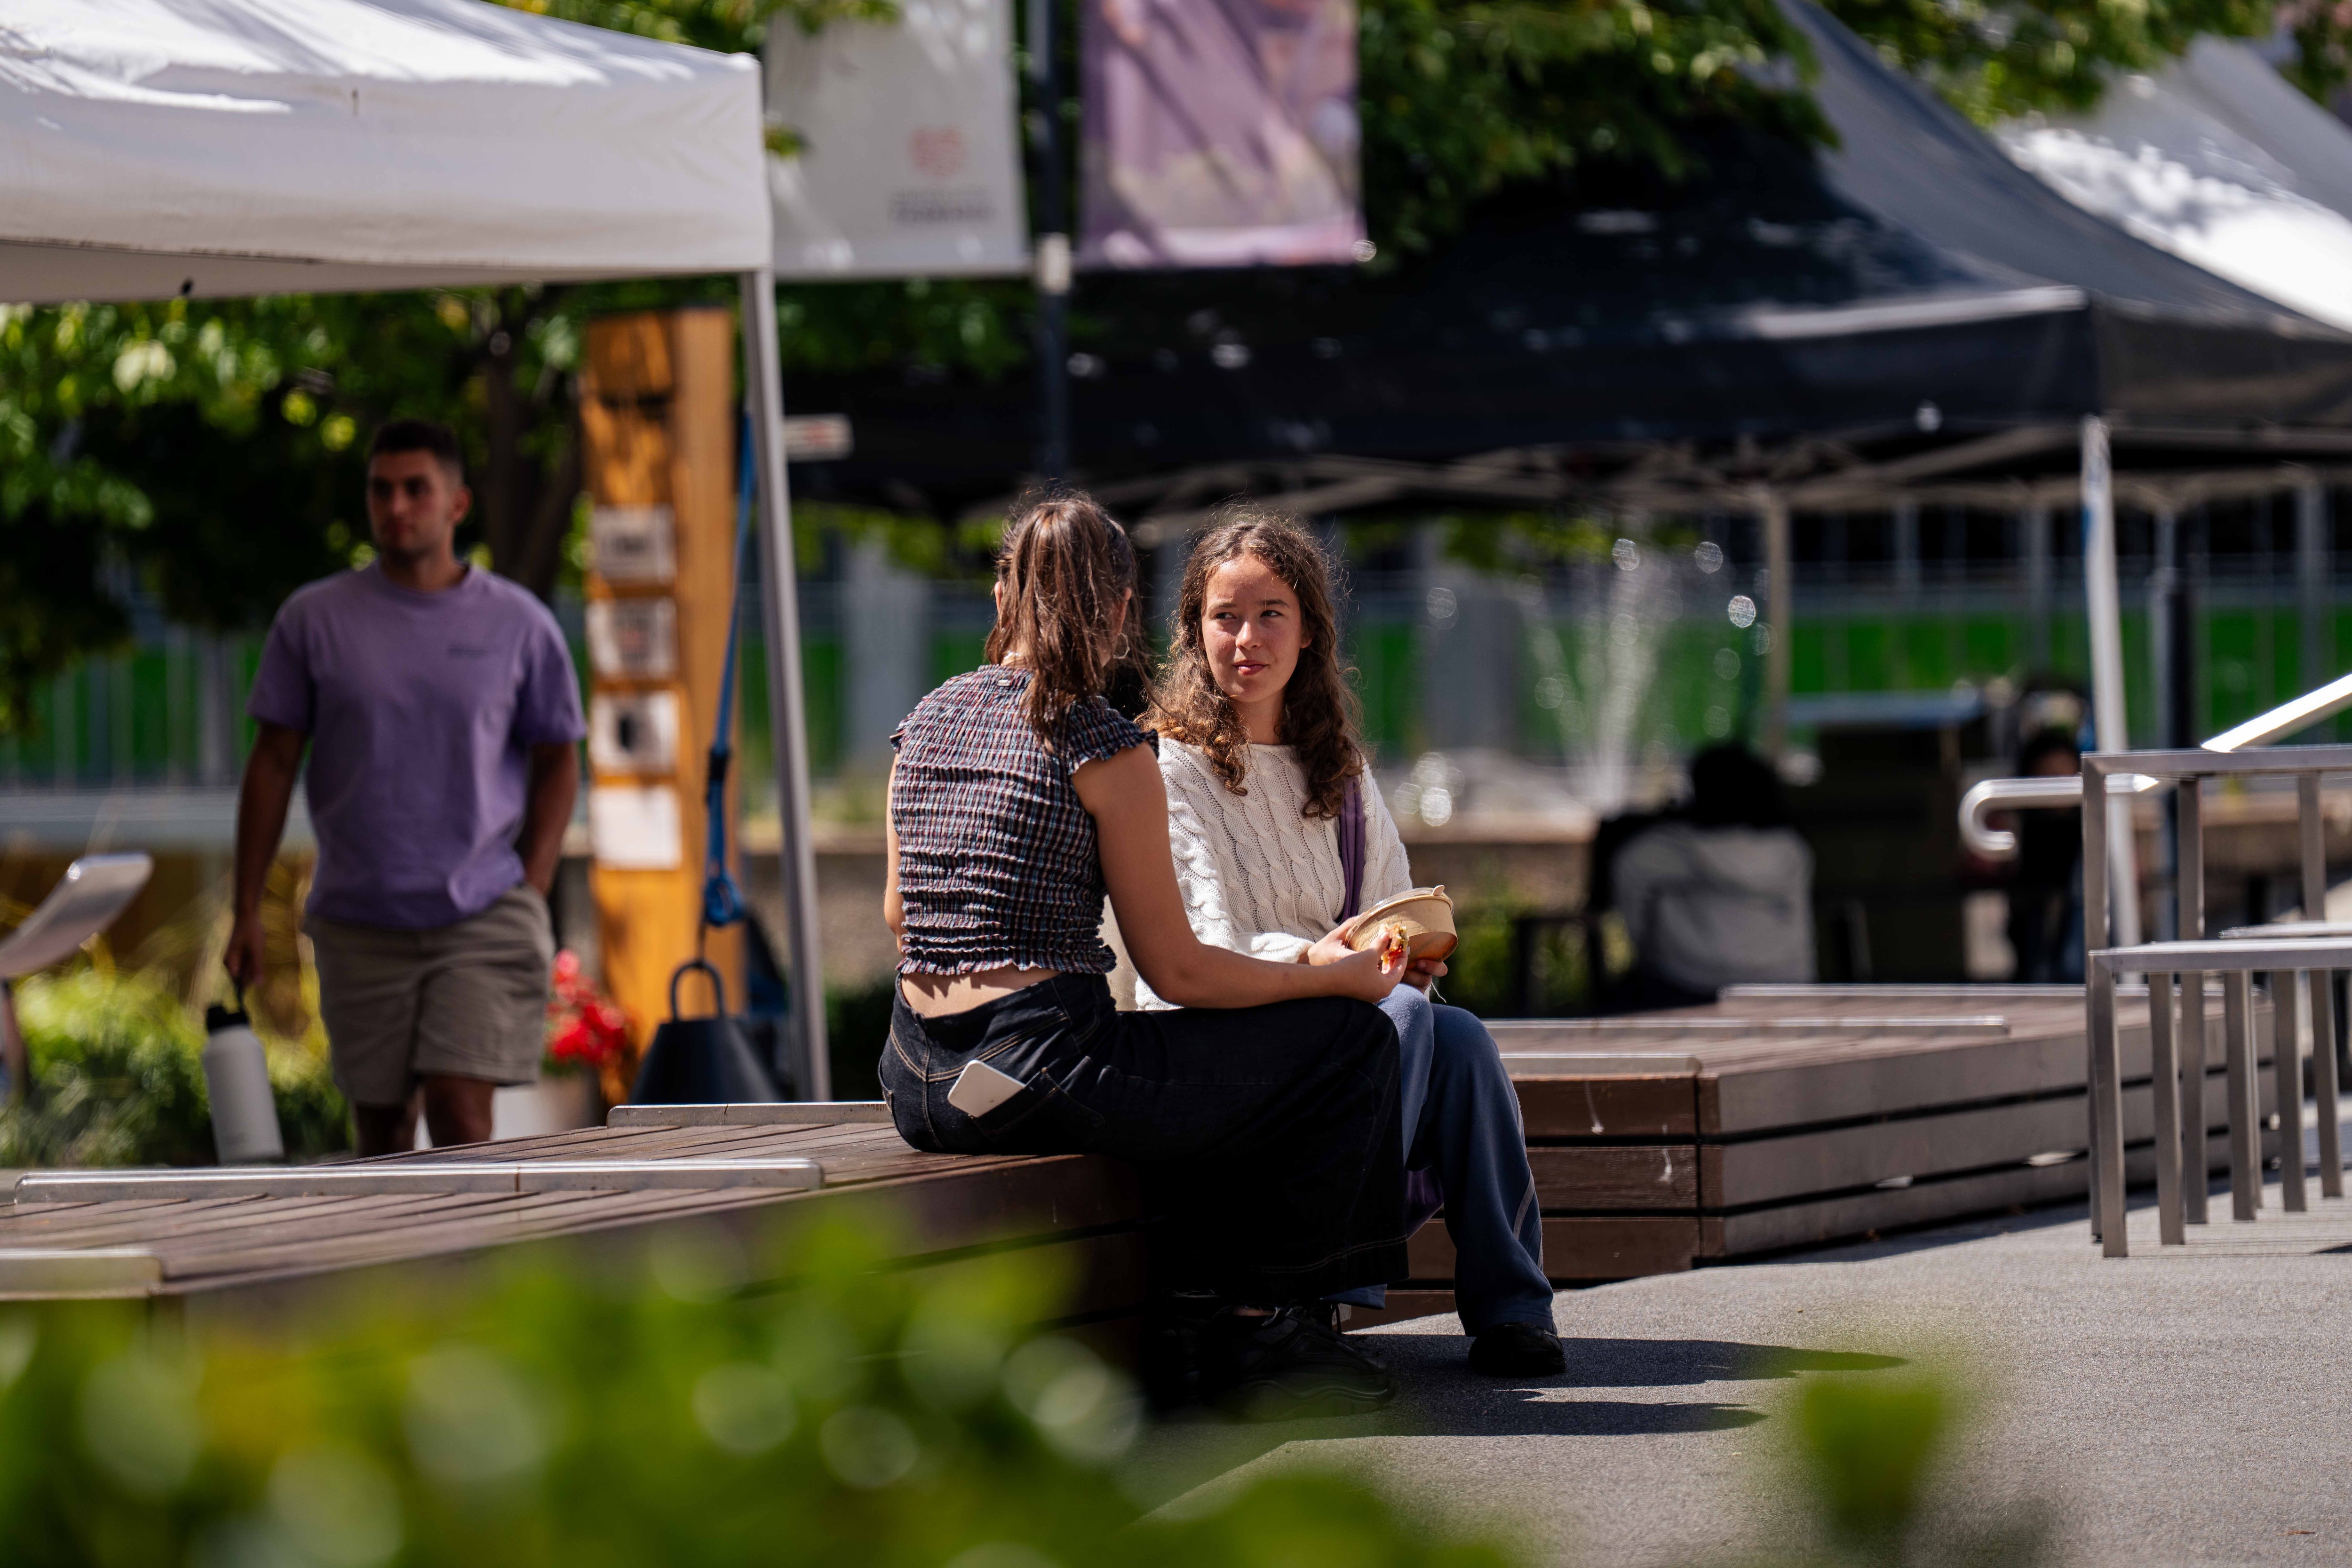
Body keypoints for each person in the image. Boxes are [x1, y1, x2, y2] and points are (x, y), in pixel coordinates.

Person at [882, 492, 1411, 1419]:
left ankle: (1196, 1312)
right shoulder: (1103, 745)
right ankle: (1259, 1328)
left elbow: (899, 914)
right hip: (1040, 1065)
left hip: (917, 1075)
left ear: (1002, 591)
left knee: (1192, 1073)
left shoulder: (926, 719)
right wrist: (1331, 980)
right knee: (1346, 1044)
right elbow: (1182, 972)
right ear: (1124, 611)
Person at [1140, 507, 1562, 1377]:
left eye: (1270, 615)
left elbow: (1385, 910)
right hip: (1226, 1028)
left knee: (1462, 1035)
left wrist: (1407, 949)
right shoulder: (1171, 766)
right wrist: (1322, 963)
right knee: (1400, 1019)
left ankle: (1514, 1308)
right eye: (1225, 616)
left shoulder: (1340, 767)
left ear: (1308, 635)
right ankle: (1314, 1287)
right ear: (1193, 632)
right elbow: (1202, 943)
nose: (1246, 638)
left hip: (1342, 1019)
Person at [227, 418, 583, 1156]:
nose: (396, 506)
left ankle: (474, 1271)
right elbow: (271, 763)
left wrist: (533, 879)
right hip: (360, 919)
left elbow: (559, 757)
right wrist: (244, 910)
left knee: (460, 1116)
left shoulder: (520, 625)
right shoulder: (314, 621)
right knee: (382, 1134)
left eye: (416, 489)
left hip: (483, 914)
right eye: (381, 490)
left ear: (457, 503)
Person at [1611, 744, 1814, 1008]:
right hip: (1784, 981)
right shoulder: (1791, 851)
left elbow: (1632, 914)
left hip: (1686, 985)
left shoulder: (1659, 852)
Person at [2005, 727, 2084, 983]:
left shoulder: (2092, 831)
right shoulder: (2023, 829)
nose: (2058, 790)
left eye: (2064, 778)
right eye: (2050, 778)